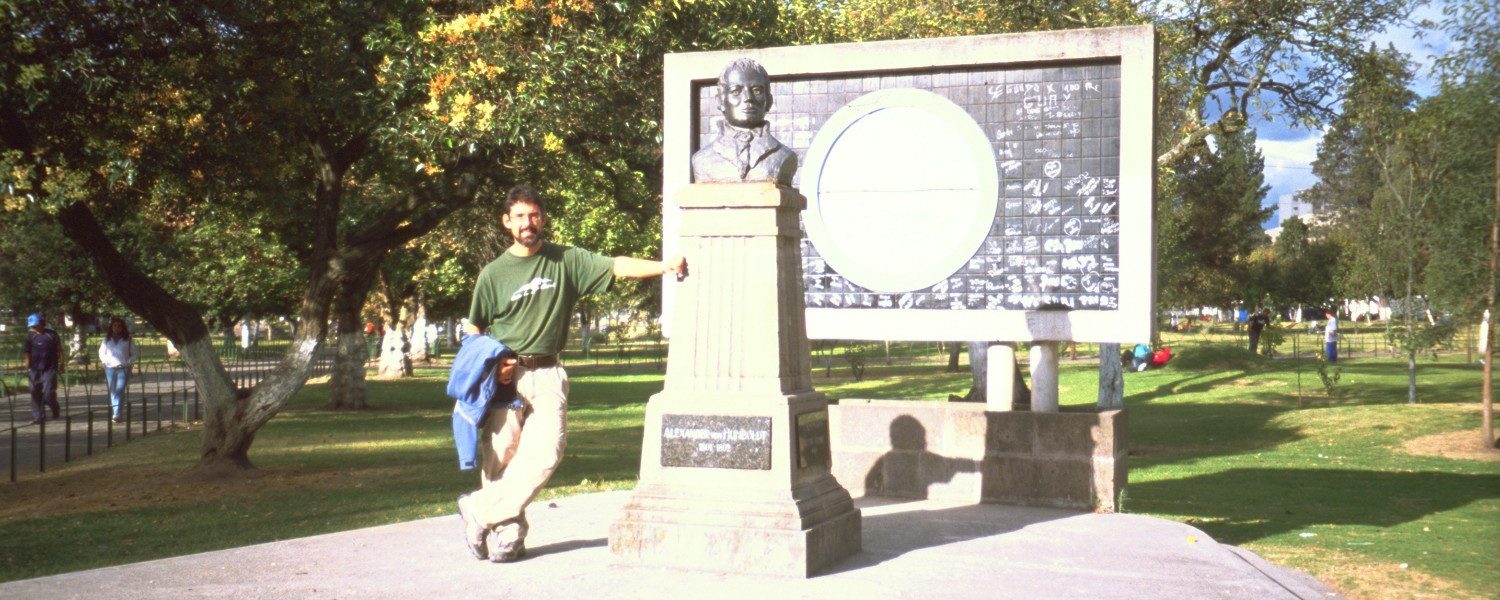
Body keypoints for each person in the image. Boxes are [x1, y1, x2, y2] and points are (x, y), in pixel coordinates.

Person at [456, 184, 688, 563]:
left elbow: (616, 265)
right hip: (504, 376)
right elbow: (473, 328)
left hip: (548, 372)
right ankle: (507, 534)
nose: (527, 223)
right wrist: (493, 363)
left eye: (533, 215)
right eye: (519, 216)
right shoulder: (493, 274)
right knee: (501, 455)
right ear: (506, 222)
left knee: (547, 451)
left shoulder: (566, 260)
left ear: (543, 218)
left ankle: (479, 510)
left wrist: (664, 266)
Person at [690, 58, 798, 186]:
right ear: (720, 101)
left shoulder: (784, 156)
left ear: (768, 101)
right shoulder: (702, 160)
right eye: (736, 91)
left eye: (757, 90)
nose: (748, 98)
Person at [22, 312, 63, 424]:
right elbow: (27, 353)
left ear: (42, 323)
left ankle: (55, 408)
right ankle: (39, 416)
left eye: (35, 325)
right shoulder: (29, 336)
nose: (33, 328)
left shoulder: (52, 334)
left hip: (50, 368)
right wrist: (27, 365)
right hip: (34, 368)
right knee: (34, 391)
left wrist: (62, 364)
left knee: (48, 391)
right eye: (32, 326)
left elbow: (59, 350)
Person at [98, 317, 139, 423]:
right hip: (110, 368)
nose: (117, 328)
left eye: (119, 326)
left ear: (123, 327)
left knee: (120, 390)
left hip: (123, 368)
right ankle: (117, 413)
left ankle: (117, 414)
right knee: (113, 391)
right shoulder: (107, 340)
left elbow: (134, 353)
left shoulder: (128, 340)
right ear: (111, 327)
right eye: (115, 326)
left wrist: (128, 362)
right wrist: (105, 361)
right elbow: (101, 352)